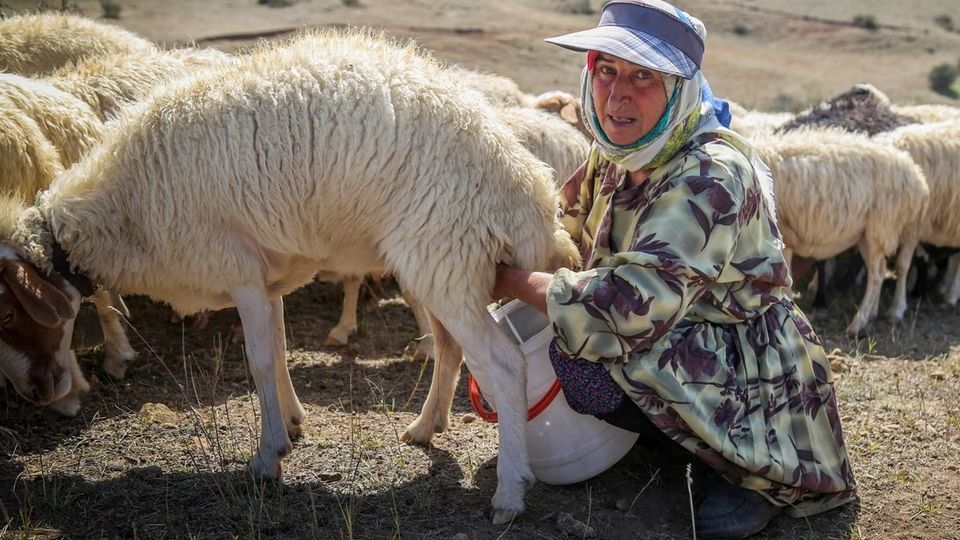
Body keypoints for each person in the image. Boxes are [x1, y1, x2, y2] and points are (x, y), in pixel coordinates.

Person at [493, 1, 857, 537]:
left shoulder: (710, 174)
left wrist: (505, 280)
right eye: (607, 70)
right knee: (569, 347)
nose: (618, 94)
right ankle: (679, 437)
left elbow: (627, 307)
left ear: (680, 89)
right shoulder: (617, 154)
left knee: (584, 361)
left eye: (644, 76)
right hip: (673, 328)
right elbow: (565, 230)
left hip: (740, 358)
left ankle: (751, 470)